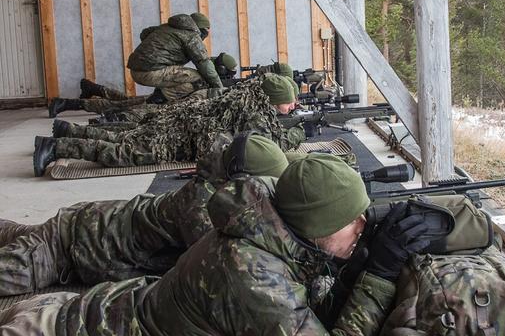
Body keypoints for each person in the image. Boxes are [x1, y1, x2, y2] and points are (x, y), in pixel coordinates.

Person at [0, 154, 430, 336]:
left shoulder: (264, 230)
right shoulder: (251, 273)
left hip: (83, 316)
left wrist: (357, 261)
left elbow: (309, 296)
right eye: (349, 221)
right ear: (313, 227)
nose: (360, 226)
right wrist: (378, 275)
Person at [1, 134, 289, 296]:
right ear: (240, 179)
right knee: (12, 272)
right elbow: (229, 268)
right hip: (71, 245)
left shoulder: (218, 189)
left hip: (88, 227)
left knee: (20, 235)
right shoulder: (202, 209)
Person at [32, 77, 305, 176]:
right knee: (126, 153)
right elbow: (271, 149)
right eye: (288, 103)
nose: (292, 107)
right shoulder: (255, 112)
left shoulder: (247, 97)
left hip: (178, 123)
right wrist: (297, 132)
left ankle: (69, 132)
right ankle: (56, 147)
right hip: (178, 137)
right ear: (273, 100)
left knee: (126, 138)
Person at [47, 53, 239, 118]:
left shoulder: (202, 80)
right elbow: (164, 78)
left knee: (124, 101)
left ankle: (93, 89)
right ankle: (64, 104)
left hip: (162, 103)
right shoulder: (192, 75)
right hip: (159, 104)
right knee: (117, 107)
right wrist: (160, 95)